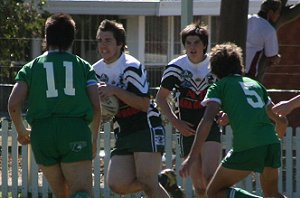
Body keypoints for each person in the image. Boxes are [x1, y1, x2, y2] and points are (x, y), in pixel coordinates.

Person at [8, 13, 101, 198]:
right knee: (81, 192)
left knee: (61, 194)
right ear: (72, 39)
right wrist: (93, 139)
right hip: (74, 130)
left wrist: (21, 131)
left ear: (46, 38)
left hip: (42, 135)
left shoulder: (30, 67)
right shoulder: (84, 67)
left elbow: (13, 104)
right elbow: (96, 106)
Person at [179, 42, 288, 198]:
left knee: (213, 192)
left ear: (215, 69)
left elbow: (207, 121)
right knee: (272, 194)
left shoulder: (219, 87)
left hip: (247, 146)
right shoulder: (255, 85)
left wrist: (191, 157)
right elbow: (281, 122)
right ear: (239, 65)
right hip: (271, 143)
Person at [92, 19, 169, 198]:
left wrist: (115, 90)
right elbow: (97, 108)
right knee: (117, 184)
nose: (103, 45)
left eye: (108, 40)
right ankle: (164, 181)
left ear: (120, 43)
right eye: (100, 40)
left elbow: (143, 104)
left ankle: (157, 182)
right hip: (124, 130)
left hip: (145, 126)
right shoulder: (95, 70)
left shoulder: (131, 66)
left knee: (148, 183)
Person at [156, 23, 221, 198]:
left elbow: (228, 91)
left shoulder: (215, 65)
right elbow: (160, 98)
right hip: (187, 128)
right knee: (199, 185)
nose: (192, 47)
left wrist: (226, 112)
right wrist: (176, 122)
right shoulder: (175, 67)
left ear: (205, 45)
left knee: (210, 177)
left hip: (210, 125)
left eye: (196, 42)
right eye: (188, 43)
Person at [245, 0, 282, 79]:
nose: (278, 15)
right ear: (271, 12)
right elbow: (272, 56)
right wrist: (278, 58)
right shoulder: (269, 29)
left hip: (230, 65)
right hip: (248, 71)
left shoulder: (247, 19)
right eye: (278, 12)